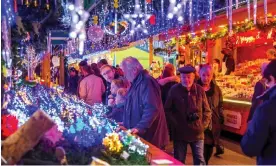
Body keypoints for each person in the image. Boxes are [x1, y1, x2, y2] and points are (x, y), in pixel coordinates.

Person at [165, 65, 212, 165]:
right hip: (180, 133)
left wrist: (202, 126)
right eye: (183, 77)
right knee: (179, 160)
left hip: (198, 133)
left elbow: (207, 111)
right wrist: (176, 125)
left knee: (199, 160)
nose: (186, 80)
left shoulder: (200, 90)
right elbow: (167, 110)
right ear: (180, 77)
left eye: (189, 77)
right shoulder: (174, 90)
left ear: (194, 77)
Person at [120, 56, 169, 149]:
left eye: (125, 72)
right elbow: (135, 107)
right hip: (144, 135)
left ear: (134, 70)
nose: (125, 75)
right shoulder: (137, 82)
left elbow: (152, 108)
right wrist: (126, 122)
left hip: (150, 137)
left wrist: (140, 127)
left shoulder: (146, 82)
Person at [241, 60, 276, 165]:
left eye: (267, 81)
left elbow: (250, 147)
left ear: (272, 78)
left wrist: (251, 127)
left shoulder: (267, 109)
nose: (267, 85)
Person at [197, 64, 224, 164]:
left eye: (208, 75)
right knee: (200, 151)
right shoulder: (195, 87)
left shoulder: (216, 89)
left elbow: (220, 103)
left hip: (213, 124)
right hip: (200, 123)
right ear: (199, 74)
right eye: (203, 75)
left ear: (212, 76)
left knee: (209, 149)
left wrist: (221, 116)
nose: (206, 78)